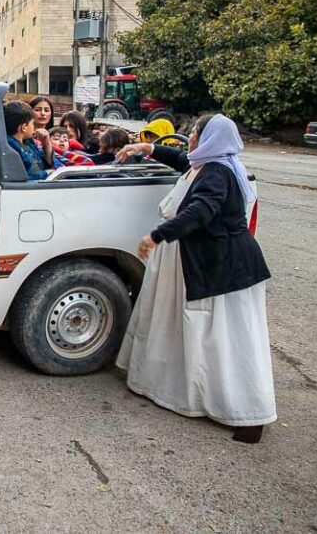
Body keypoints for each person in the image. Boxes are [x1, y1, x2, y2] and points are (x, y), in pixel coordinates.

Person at [115, 114, 274, 444]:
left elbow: (200, 211)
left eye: (193, 135)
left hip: (223, 268)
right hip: (211, 263)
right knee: (203, 335)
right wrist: (147, 148)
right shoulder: (209, 163)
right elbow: (181, 161)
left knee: (228, 341)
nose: (188, 139)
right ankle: (189, 391)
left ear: (208, 140)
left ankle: (249, 414)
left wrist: (158, 235)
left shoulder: (217, 173)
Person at [4, 100, 52, 180]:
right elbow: (23, 177)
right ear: (24, 127)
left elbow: (46, 163)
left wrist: (46, 143)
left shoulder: (28, 142)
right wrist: (47, 173)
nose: (33, 127)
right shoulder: (10, 147)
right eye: (32, 123)